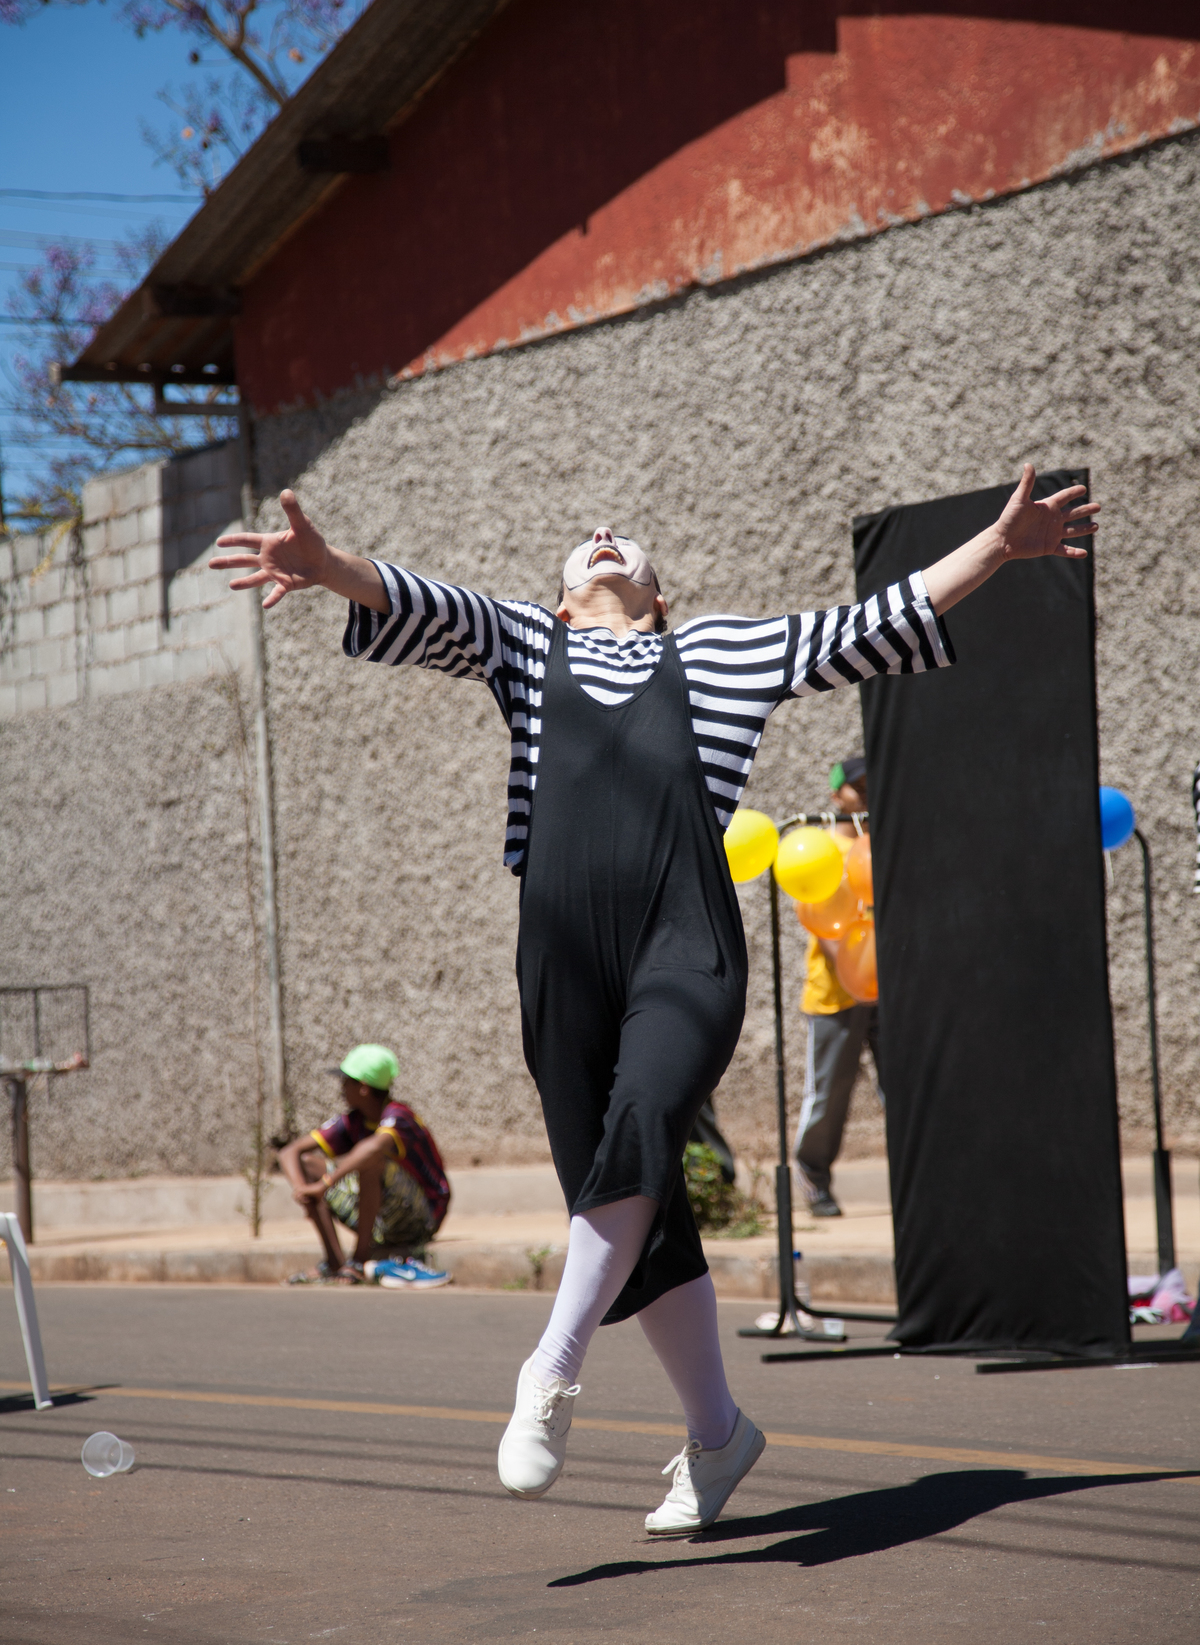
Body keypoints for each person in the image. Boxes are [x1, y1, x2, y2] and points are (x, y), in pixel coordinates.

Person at [212, 463, 1098, 1534]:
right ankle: (720, 1436)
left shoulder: (718, 654)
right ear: (558, 600)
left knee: (640, 1125)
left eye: (623, 542)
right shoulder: (525, 645)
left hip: (686, 946)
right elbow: (421, 601)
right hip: (560, 963)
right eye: (584, 546)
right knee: (639, 1209)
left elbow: (872, 622)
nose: (603, 532)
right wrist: (325, 566)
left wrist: (998, 546)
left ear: (661, 595)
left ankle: (551, 1367)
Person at [278, 1044, 451, 1288]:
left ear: (363, 1087)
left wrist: (324, 1185)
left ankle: (359, 1261)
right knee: (307, 1165)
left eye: (346, 1082)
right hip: (383, 1221)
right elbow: (289, 1152)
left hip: (421, 1219)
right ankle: (335, 1262)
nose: (341, 1088)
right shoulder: (353, 1120)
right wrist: (302, 1190)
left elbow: (373, 1148)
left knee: (372, 1160)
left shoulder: (399, 1115)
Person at [794, 755, 879, 1218]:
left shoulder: (881, 845)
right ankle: (813, 1178)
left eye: (871, 785)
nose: (865, 794)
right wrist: (855, 977)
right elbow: (823, 926)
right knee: (828, 1097)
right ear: (836, 794)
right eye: (856, 787)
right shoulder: (823, 850)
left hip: (885, 993)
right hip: (835, 995)